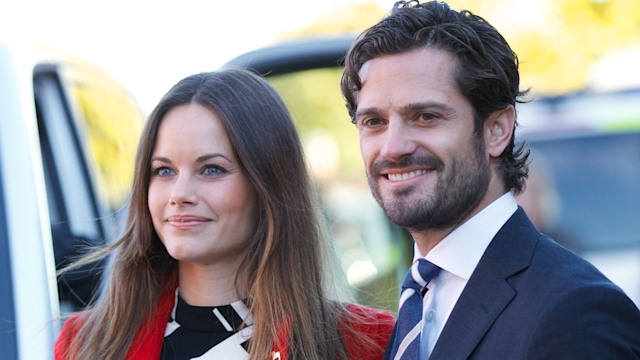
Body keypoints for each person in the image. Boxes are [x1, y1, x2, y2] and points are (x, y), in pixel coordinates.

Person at [340, 1, 640, 359]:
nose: (393, 147)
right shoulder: (417, 297)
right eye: (374, 122)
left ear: (497, 130)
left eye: (425, 116)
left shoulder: (575, 311)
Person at [54, 69, 395, 360]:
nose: (180, 195)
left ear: (269, 185)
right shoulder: (85, 344)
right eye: (163, 171)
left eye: (212, 169)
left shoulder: (366, 343)